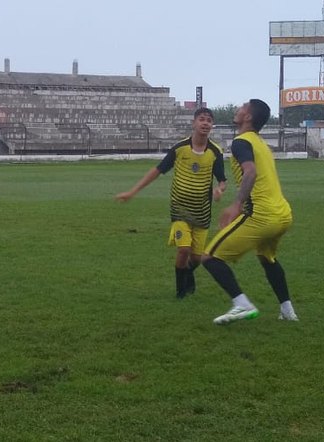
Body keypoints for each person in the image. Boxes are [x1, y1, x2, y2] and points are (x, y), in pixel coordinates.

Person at [202, 99, 298, 325]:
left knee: (210, 257)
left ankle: (242, 305)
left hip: (261, 216)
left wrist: (237, 204)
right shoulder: (261, 143)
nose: (238, 108)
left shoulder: (241, 141)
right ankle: (287, 311)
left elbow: (251, 172)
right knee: (267, 258)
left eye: (243, 106)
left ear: (248, 117)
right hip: (283, 215)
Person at [116, 107, 226, 298]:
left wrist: (219, 190)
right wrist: (132, 191)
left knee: (196, 258)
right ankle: (180, 291)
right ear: (193, 123)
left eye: (209, 120)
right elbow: (157, 170)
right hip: (180, 208)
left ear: (212, 125)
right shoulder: (179, 148)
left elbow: (222, 179)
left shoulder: (215, 151)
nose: (205, 123)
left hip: (202, 211)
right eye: (202, 119)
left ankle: (188, 274)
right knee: (183, 250)